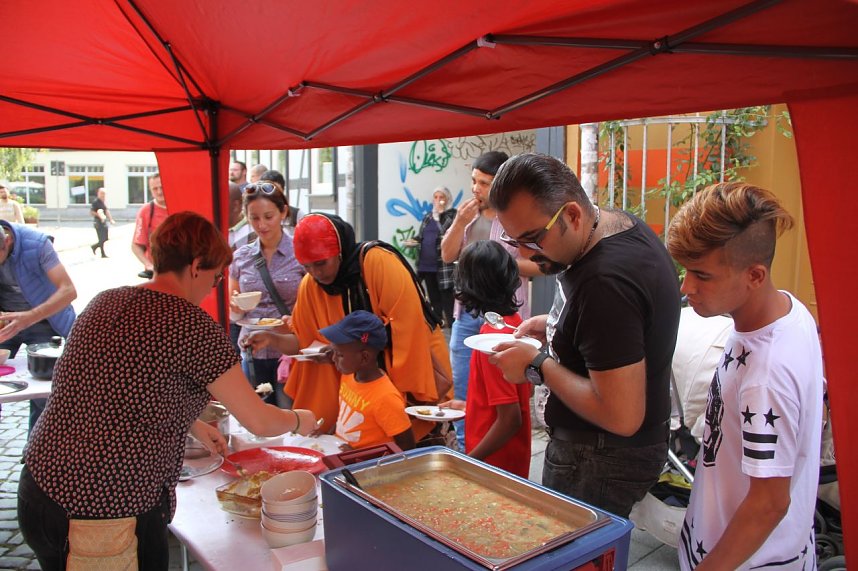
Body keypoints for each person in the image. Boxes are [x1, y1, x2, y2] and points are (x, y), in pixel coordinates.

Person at [17, 212, 316, 570]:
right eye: (216, 275)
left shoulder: (105, 300)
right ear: (194, 267)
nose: (214, 286)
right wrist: (298, 419)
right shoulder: (190, 325)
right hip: (100, 508)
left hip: (39, 487)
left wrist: (192, 423)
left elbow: (119, 386)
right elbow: (259, 420)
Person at [487, 153, 680, 518]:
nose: (526, 254)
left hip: (598, 456)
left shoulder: (604, 282)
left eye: (532, 238)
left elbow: (621, 415)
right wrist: (557, 323)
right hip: (611, 451)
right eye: (514, 243)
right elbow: (625, 324)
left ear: (573, 215)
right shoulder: (613, 224)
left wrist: (536, 365)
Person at [667, 183, 822, 570]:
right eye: (686, 271)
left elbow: (769, 503)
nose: (687, 288)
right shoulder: (788, 310)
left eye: (702, 275)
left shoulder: (766, 375)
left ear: (754, 275)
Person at [243, 213, 452, 443]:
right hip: (362, 388)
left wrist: (396, 401)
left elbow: (408, 332)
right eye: (307, 266)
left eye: (321, 263)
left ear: (340, 251)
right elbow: (304, 343)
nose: (316, 273)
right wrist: (271, 339)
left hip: (409, 377)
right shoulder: (310, 286)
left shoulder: (378, 262)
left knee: (409, 447)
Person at [440, 151, 539, 448]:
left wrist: (496, 263)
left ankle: (486, 453)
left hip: (503, 312)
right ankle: (467, 444)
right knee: (465, 386)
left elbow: (539, 266)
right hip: (468, 311)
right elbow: (447, 255)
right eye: (474, 180)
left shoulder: (517, 219)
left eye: (484, 182)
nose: (476, 189)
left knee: (503, 388)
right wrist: (458, 223)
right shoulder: (467, 215)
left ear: (501, 185)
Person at [440, 241, 531, 477]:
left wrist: (469, 462)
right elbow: (518, 396)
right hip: (509, 464)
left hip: (494, 468)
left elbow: (510, 420)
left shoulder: (491, 340)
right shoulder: (513, 324)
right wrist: (469, 406)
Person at [229, 181, 304, 408]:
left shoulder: (300, 253)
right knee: (256, 420)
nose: (261, 225)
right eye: (254, 218)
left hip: (290, 352)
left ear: (283, 212)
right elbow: (233, 312)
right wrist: (235, 309)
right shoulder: (241, 256)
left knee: (290, 417)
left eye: (268, 216)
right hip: (252, 350)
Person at [0, 220, 76, 430]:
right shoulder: (4, 244)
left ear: (7, 240)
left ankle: (35, 453)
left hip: (45, 321)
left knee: (45, 392)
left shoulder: (36, 243)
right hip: (5, 323)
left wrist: (29, 317)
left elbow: (68, 290)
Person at [321, 310, 415, 451]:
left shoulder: (385, 398)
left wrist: (357, 455)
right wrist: (328, 436)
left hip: (366, 469)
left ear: (364, 357)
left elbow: (407, 447)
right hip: (340, 457)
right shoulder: (349, 375)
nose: (333, 359)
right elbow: (346, 419)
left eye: (339, 355)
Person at [410, 186, 456, 327]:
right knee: (433, 296)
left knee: (447, 297)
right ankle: (437, 323)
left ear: (447, 200)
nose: (438, 200)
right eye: (435, 197)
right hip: (427, 264)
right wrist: (415, 241)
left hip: (443, 266)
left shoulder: (452, 215)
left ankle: (452, 324)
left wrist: (440, 215)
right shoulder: (429, 216)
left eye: (441, 197)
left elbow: (448, 234)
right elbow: (423, 235)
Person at [132, 173, 168, 279]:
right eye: (155, 189)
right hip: (157, 274)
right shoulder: (146, 211)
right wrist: (148, 265)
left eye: (161, 187)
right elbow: (136, 245)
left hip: (182, 274)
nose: (159, 192)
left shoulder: (180, 207)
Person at [259, 170, 302, 234]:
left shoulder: (296, 215)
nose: (272, 195)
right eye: (267, 190)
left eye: (276, 190)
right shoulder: (256, 214)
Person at [89, 187, 115, 258]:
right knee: (101, 238)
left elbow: (106, 211)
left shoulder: (102, 202)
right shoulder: (95, 202)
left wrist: (111, 219)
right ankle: (102, 254)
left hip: (104, 222)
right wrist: (99, 215)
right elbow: (91, 212)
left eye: (104, 194)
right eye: (101, 193)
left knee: (105, 238)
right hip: (98, 222)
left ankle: (94, 247)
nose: (103, 195)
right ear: (98, 193)